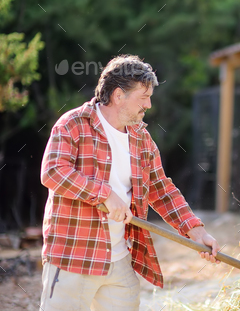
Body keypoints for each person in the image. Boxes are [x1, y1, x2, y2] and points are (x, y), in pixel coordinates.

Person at [39, 55, 220, 311]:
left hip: (118, 257)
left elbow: (162, 189)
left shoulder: (140, 137)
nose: (148, 105)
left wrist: (197, 232)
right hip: (72, 257)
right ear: (118, 95)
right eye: (143, 97)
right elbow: (53, 172)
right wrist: (104, 194)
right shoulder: (73, 125)